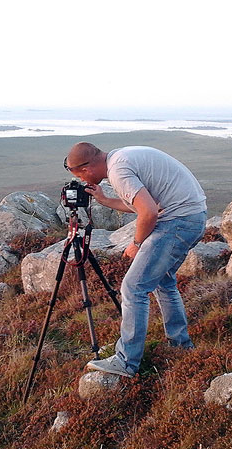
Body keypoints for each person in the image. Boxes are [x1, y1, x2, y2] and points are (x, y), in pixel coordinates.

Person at [64, 142, 207, 377]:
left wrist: (136, 244)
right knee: (164, 282)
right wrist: (104, 199)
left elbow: (148, 212)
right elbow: (142, 204)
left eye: (79, 175)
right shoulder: (122, 157)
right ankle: (180, 345)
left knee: (134, 288)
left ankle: (127, 362)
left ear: (87, 168)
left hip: (177, 222)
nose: (82, 180)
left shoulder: (118, 171)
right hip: (193, 217)